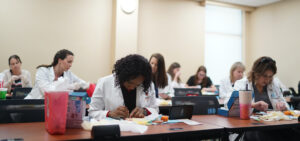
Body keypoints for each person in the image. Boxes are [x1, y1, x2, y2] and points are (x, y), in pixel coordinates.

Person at [88, 54, 158, 120]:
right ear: (122, 76)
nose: (132, 87)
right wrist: (110, 114)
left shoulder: (148, 85)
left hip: (141, 129)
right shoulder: (104, 83)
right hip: (114, 130)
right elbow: (92, 113)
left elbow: (155, 109)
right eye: (129, 83)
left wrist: (144, 111)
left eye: (137, 85)